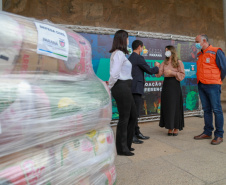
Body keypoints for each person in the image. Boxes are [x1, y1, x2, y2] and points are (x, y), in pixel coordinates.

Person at [108, 30, 137, 156]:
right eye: (127, 38)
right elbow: (114, 73)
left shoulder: (120, 54)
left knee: (132, 115)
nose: (128, 41)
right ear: (122, 39)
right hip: (121, 86)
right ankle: (121, 148)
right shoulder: (118, 53)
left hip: (125, 86)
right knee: (125, 118)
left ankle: (127, 145)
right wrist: (109, 86)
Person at [194, 34, 226, 145]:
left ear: (204, 41)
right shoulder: (199, 54)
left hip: (213, 85)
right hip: (201, 85)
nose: (196, 43)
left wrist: (216, 79)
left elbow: (224, 68)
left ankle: (219, 135)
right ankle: (207, 132)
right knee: (206, 110)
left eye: (197, 41)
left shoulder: (216, 51)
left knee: (216, 110)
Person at [129, 40, 160, 144]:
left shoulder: (131, 57)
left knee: (134, 112)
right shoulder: (138, 58)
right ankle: (132, 135)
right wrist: (157, 66)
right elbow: (150, 71)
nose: (142, 50)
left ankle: (137, 132)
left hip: (132, 88)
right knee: (134, 113)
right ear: (139, 47)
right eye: (142, 48)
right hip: (136, 89)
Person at [155, 45, 185, 135]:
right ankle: (169, 127)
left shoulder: (178, 62)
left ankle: (176, 127)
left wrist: (172, 73)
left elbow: (182, 75)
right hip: (166, 85)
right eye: (165, 51)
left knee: (175, 106)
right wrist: (157, 67)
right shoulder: (164, 63)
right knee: (168, 106)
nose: (166, 52)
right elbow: (158, 74)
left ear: (172, 51)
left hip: (174, 85)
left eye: (167, 50)